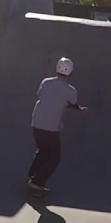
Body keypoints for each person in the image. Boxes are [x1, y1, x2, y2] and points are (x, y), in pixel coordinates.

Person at [27, 56, 88, 194]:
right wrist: (80, 109)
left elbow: (41, 96)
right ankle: (36, 183)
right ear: (71, 72)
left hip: (36, 123)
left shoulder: (46, 82)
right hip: (50, 128)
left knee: (43, 150)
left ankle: (32, 175)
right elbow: (72, 105)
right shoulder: (70, 90)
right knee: (54, 157)